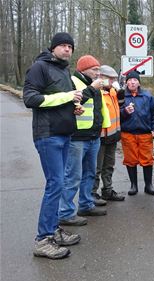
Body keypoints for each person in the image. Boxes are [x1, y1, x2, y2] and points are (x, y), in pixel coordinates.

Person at [23, 32, 81, 259]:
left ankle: (53, 230)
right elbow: (30, 99)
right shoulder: (40, 67)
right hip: (48, 136)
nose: (67, 49)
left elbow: (63, 99)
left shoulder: (63, 70)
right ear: (53, 47)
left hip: (64, 134)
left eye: (70, 46)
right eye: (63, 45)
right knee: (55, 184)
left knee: (60, 182)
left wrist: (74, 107)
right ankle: (42, 240)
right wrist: (67, 98)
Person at [58, 55, 109, 226]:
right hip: (77, 137)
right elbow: (73, 102)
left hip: (93, 136)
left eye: (98, 69)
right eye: (95, 69)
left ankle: (86, 205)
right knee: (73, 176)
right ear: (83, 69)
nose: (98, 73)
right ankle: (65, 213)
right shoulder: (72, 81)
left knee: (90, 173)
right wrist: (93, 88)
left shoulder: (94, 83)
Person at [121, 70, 154, 196]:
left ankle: (149, 185)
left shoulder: (147, 96)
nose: (132, 82)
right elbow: (116, 115)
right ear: (126, 83)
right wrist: (125, 111)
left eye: (135, 80)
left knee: (147, 159)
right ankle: (133, 185)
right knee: (130, 160)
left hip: (145, 133)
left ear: (139, 83)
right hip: (128, 133)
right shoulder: (121, 96)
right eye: (129, 80)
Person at [92, 65, 125, 202]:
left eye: (114, 79)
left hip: (112, 135)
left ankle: (107, 190)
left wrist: (121, 95)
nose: (113, 82)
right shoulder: (96, 92)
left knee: (109, 166)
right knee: (96, 168)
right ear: (101, 78)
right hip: (100, 136)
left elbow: (119, 107)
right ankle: (92, 193)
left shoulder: (112, 91)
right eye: (110, 79)